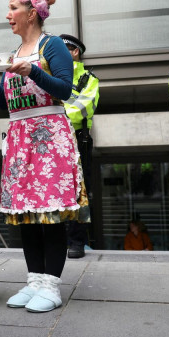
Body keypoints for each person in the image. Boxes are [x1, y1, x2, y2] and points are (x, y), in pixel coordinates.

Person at [0, 0, 88, 313]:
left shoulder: (52, 45)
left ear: (32, 13)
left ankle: (52, 286)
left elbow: (65, 89)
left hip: (49, 133)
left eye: (13, 8)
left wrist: (33, 71)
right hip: (19, 135)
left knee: (50, 212)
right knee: (26, 213)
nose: (8, 15)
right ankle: (34, 281)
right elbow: (6, 101)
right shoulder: (13, 53)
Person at [59, 34, 99, 259]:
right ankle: (57, 239)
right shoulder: (50, 74)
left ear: (75, 52)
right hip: (54, 137)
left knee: (79, 190)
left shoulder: (89, 78)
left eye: (64, 49)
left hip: (77, 136)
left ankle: (76, 242)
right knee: (52, 188)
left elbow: (84, 109)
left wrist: (57, 116)